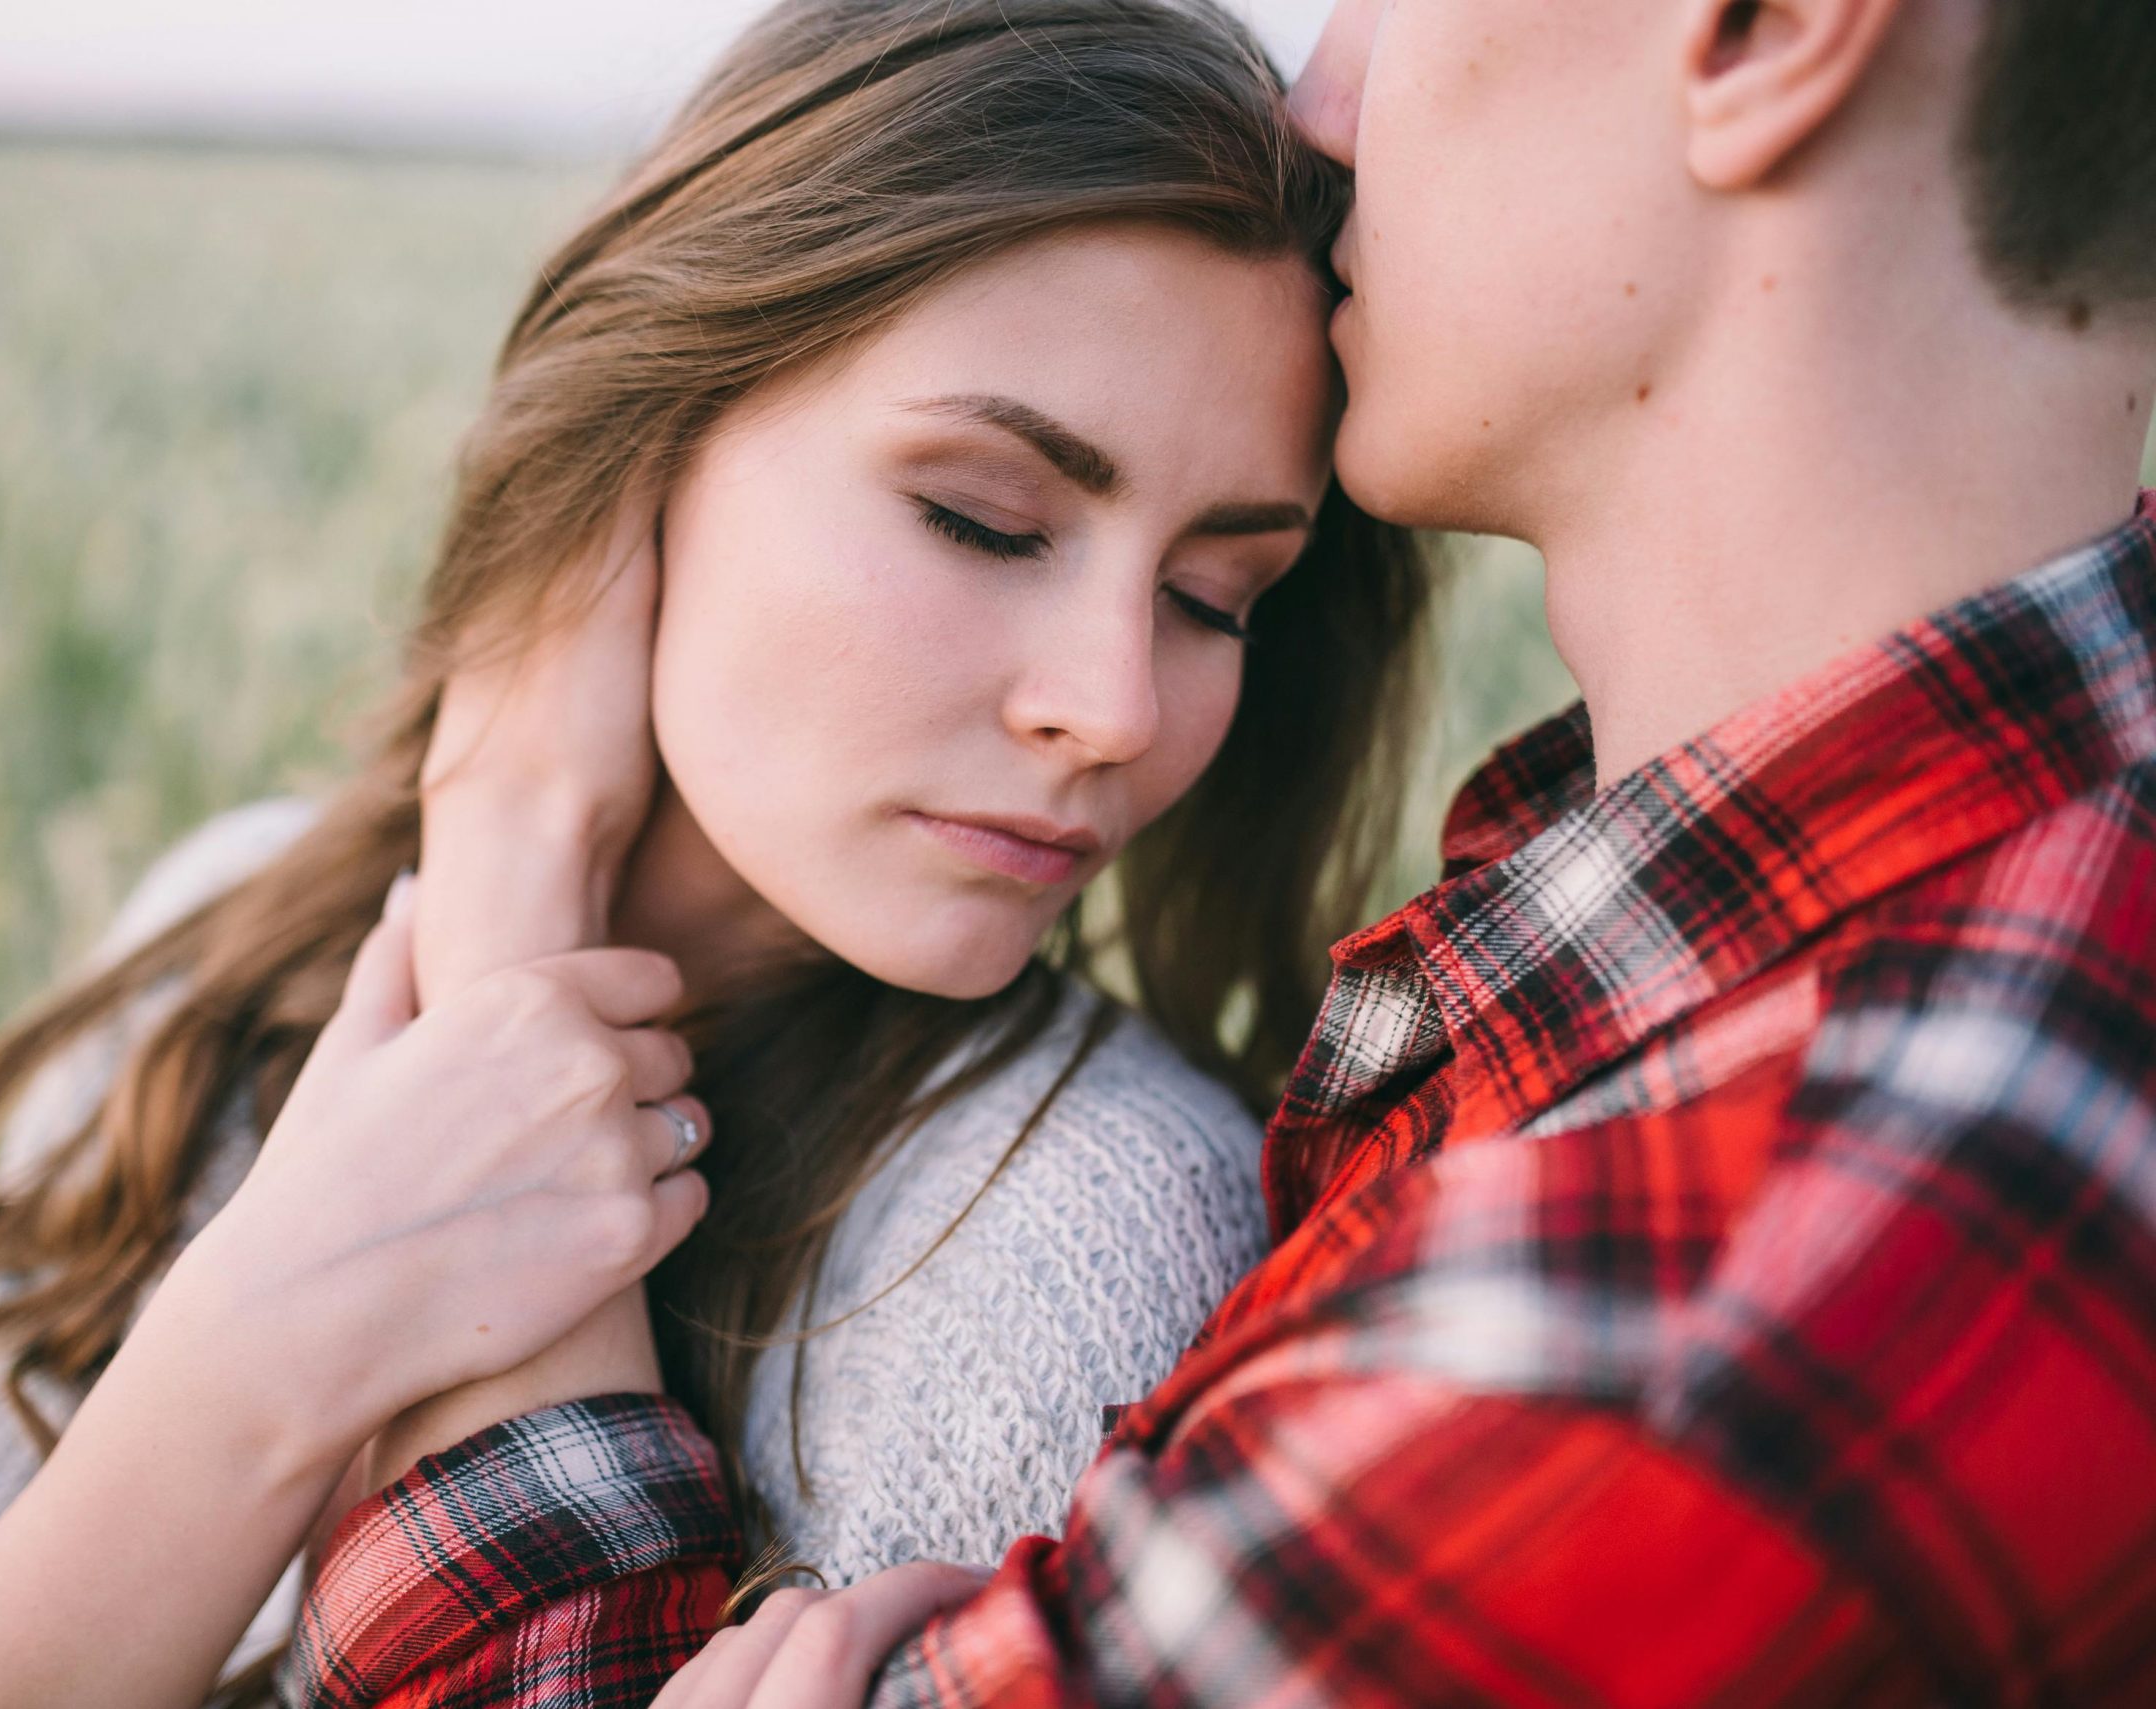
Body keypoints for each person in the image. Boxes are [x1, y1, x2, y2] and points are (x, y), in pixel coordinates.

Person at [280, 0, 2156, 1703]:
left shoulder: (1694, 1333)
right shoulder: (1894, 977)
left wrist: (512, 905)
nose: (1320, 96)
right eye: (977, 519)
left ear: (1765, 29)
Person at [0, 3, 1435, 1705]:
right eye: (982, 520)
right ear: (648, 430)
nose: (1118, 705)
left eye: (1216, 597)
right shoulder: (220, 927)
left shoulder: (1076, 1231)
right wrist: (250, 1362)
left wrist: (514, 870)